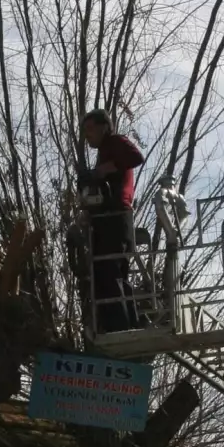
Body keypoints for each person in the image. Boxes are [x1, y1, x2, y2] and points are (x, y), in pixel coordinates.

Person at [80, 107, 144, 334]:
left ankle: (119, 327)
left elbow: (136, 157)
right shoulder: (106, 150)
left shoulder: (116, 142)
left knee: (108, 272)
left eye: (90, 128)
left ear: (104, 127)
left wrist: (106, 169)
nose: (86, 134)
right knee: (115, 274)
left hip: (116, 218)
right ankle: (129, 323)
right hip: (111, 219)